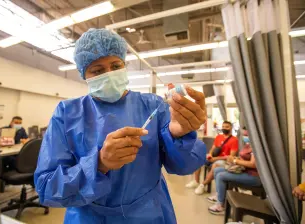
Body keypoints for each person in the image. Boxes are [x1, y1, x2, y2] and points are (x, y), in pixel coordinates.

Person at [34, 28, 207, 224]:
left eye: (116, 66)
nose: (109, 74)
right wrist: (99, 164)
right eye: (98, 70)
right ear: (84, 74)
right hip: (89, 217)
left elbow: (186, 166)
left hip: (149, 215)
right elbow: (47, 188)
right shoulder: (67, 113)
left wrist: (178, 135)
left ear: (124, 65)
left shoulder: (152, 105)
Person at [207, 129, 261, 215]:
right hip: (244, 170)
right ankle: (220, 196)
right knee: (217, 170)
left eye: (246, 135)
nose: (245, 137)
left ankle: (220, 205)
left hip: (253, 176)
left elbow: (253, 164)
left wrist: (236, 161)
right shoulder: (248, 145)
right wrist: (235, 159)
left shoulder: (256, 147)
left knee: (221, 176)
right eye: (244, 135)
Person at [186, 121, 238, 195]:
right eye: (223, 127)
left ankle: (202, 185)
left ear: (231, 128)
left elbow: (231, 157)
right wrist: (210, 154)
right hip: (214, 158)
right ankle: (196, 181)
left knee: (216, 165)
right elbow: (213, 148)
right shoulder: (219, 137)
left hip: (225, 160)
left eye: (227, 127)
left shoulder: (234, 140)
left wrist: (215, 159)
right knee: (198, 159)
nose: (224, 128)